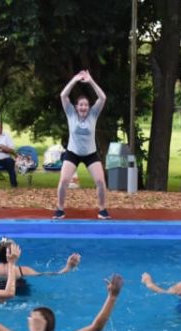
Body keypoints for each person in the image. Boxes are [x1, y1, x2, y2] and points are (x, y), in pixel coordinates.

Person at [54, 70, 109, 220]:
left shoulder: (93, 114)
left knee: (100, 181)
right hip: (72, 153)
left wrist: (90, 80)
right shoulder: (70, 113)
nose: (83, 107)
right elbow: (63, 95)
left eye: (86, 105)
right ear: (76, 106)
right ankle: (59, 209)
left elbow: (102, 97)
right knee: (64, 181)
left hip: (91, 154)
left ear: (89, 107)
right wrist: (74, 80)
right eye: (81, 105)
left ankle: (103, 210)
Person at [0, 238, 80, 295]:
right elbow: (53, 275)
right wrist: (68, 267)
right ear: (17, 253)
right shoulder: (23, 271)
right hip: (20, 296)